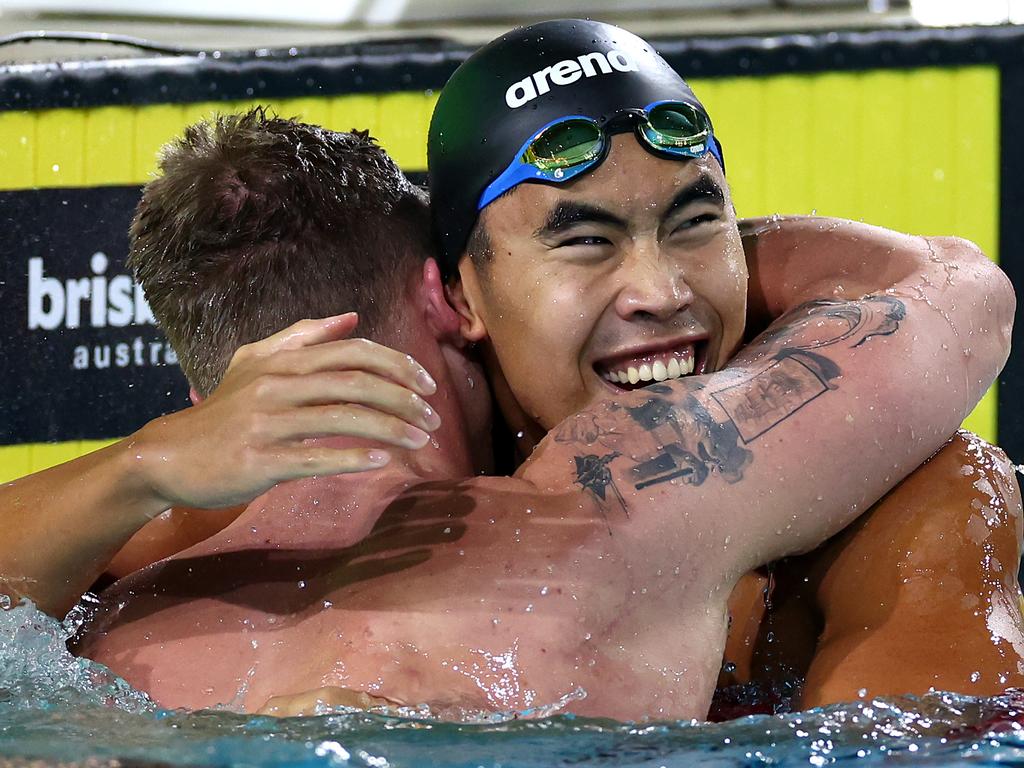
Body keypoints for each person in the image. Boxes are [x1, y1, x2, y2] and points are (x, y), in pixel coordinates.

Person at [65, 92, 1008, 721]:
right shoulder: (619, 500)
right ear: (456, 300)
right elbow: (957, 291)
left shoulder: (124, 582)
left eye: (690, 227)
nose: (654, 290)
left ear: (206, 400)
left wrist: (140, 463)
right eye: (586, 243)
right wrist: (731, 262)